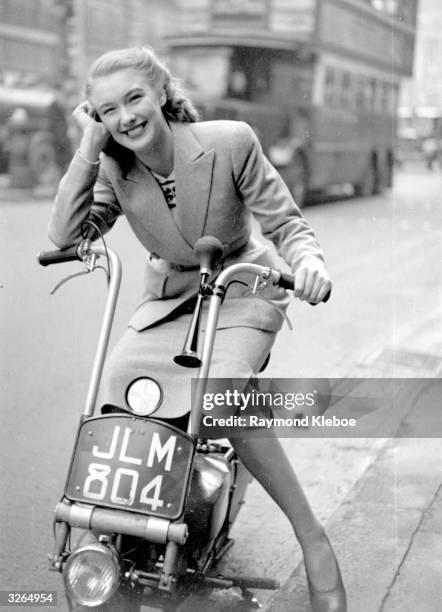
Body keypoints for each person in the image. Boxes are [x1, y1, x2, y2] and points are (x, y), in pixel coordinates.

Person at [48, 46, 346, 612]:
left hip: (239, 288)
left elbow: (287, 223)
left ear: (160, 93)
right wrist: (87, 148)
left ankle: (312, 536)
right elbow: (67, 236)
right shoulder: (113, 163)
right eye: (107, 110)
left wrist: (309, 263)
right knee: (120, 385)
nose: (126, 117)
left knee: (220, 397)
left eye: (135, 98)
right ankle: (114, 536)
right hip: (170, 300)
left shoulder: (230, 140)